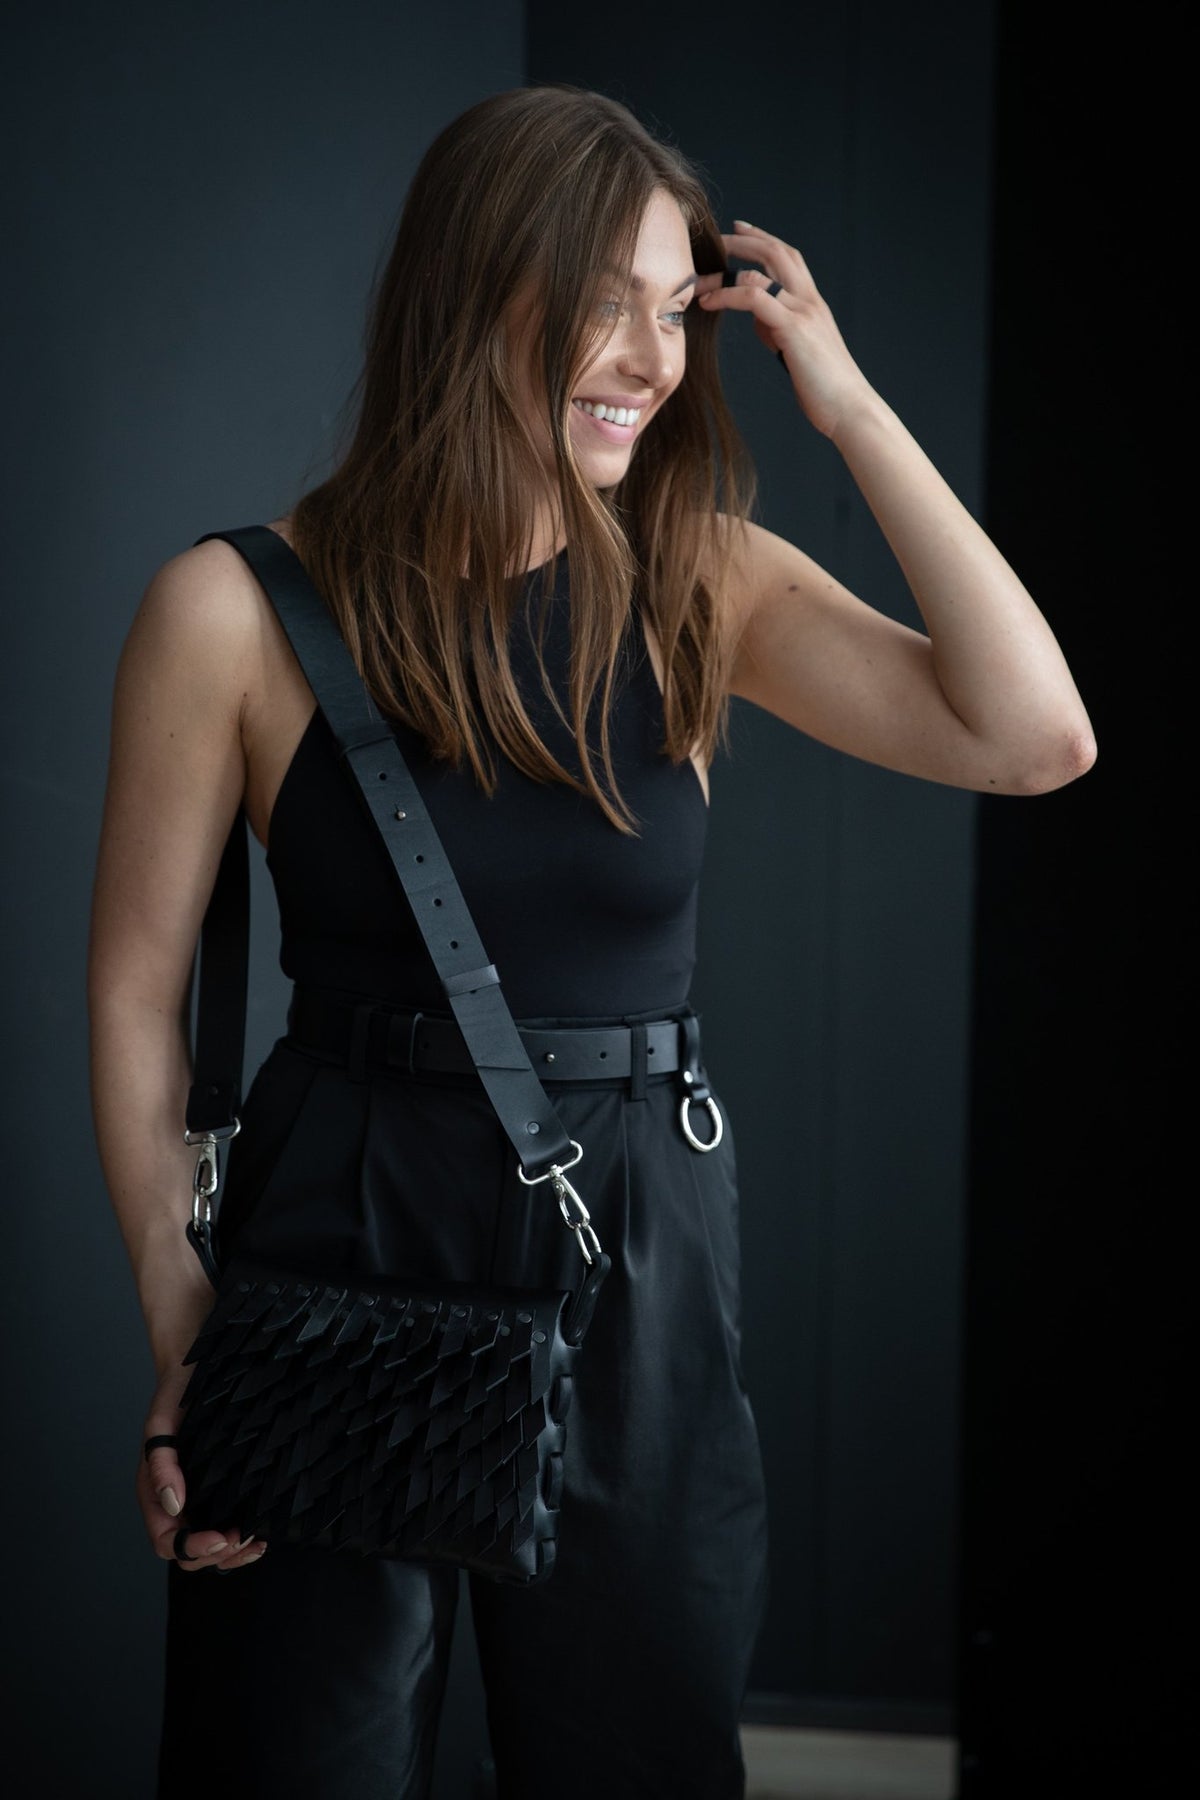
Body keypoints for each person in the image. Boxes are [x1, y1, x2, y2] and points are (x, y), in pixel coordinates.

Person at [87, 83, 1095, 1800]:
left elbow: (1033, 736)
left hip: (635, 1227)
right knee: (295, 1757)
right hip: (345, 1223)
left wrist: (844, 406)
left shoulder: (700, 578)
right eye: (595, 299)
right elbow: (133, 988)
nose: (646, 353)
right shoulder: (232, 609)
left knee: (637, 1754)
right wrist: (183, 1328)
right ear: (467, 293)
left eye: (668, 303)